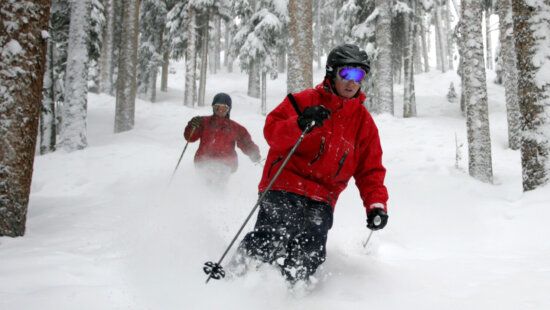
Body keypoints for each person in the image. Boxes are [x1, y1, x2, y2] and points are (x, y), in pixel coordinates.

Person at [234, 44, 389, 284]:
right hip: (284, 184)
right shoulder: (304, 100)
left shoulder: (364, 123)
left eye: (359, 76)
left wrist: (375, 204)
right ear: (331, 73)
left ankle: (291, 293)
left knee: (311, 250)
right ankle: (240, 278)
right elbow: (272, 132)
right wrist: (300, 122)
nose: (352, 82)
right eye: (346, 73)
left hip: (323, 197)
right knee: (273, 234)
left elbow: (371, 170)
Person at [184, 93, 261, 183]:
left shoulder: (235, 127)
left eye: (224, 108)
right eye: (217, 108)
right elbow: (190, 138)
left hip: (225, 163)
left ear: (229, 109)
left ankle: (218, 195)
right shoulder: (204, 122)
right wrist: (192, 126)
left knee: (218, 180)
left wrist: (253, 152)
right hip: (204, 161)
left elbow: (246, 142)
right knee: (204, 183)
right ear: (213, 108)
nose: (220, 111)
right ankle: (203, 195)